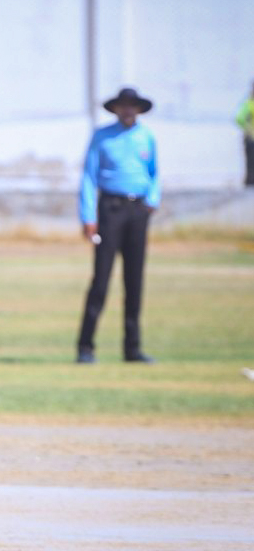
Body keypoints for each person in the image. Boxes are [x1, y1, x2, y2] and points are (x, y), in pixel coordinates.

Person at [76, 87, 160, 365]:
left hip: (138, 211)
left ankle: (132, 349)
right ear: (116, 109)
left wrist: (152, 200)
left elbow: (154, 173)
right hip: (110, 210)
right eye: (123, 105)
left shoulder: (146, 137)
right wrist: (88, 217)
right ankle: (85, 347)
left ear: (138, 109)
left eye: (132, 105)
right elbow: (89, 177)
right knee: (101, 280)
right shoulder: (102, 137)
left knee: (134, 281)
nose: (127, 110)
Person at [236, 81, 254, 187]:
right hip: (250, 138)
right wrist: (248, 128)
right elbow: (239, 118)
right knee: (250, 161)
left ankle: (249, 181)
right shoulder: (248, 103)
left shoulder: (248, 103)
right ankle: (249, 182)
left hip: (250, 137)